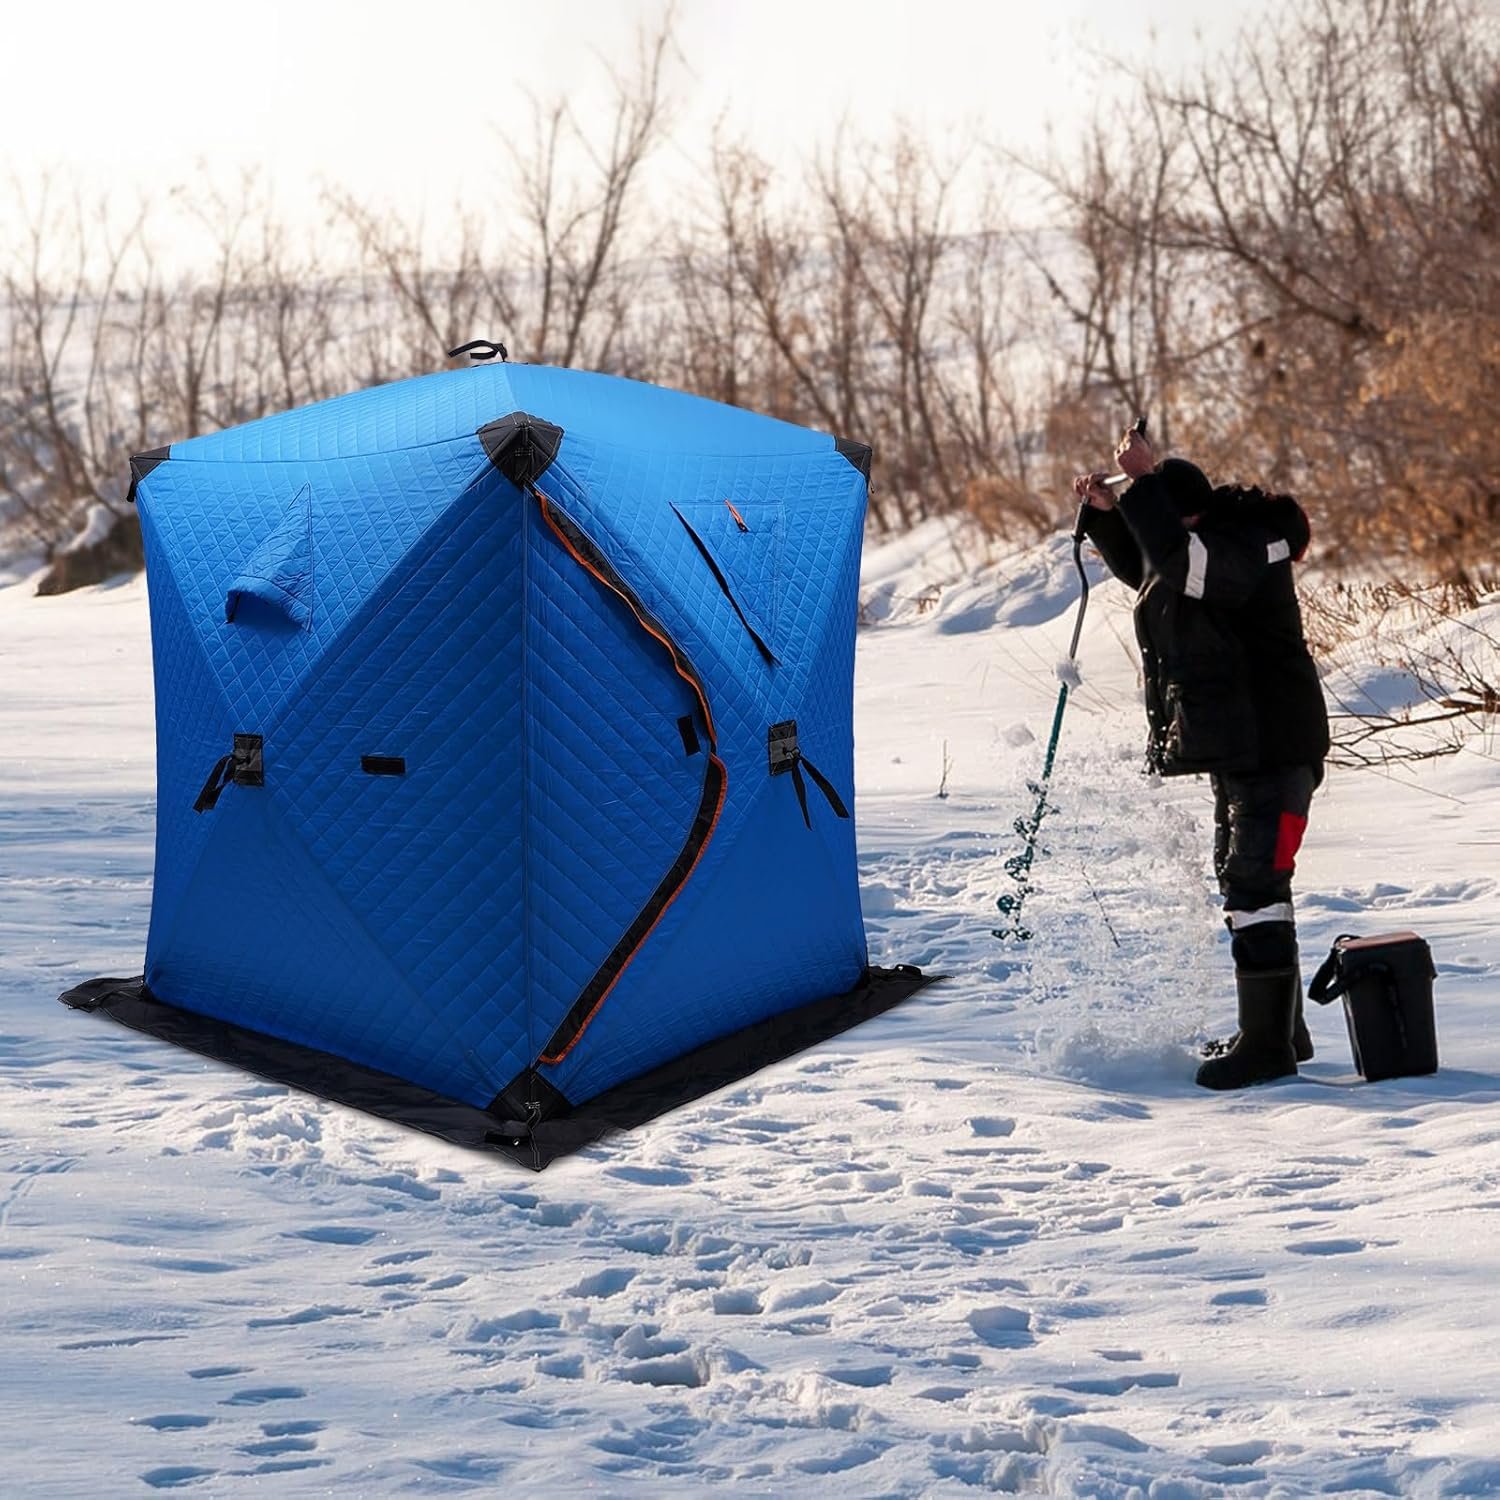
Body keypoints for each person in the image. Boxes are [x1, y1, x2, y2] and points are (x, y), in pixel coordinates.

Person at [1073, 427, 1330, 1090]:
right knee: (1248, 882)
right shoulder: (1209, 547)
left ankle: (1269, 1047)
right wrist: (1112, 518)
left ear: (1191, 517)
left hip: (1275, 748)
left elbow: (1183, 565)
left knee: (1254, 884)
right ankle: (1280, 1031)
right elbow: (1157, 568)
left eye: (1169, 523)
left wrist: (1142, 482)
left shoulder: (1242, 546)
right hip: (1247, 749)